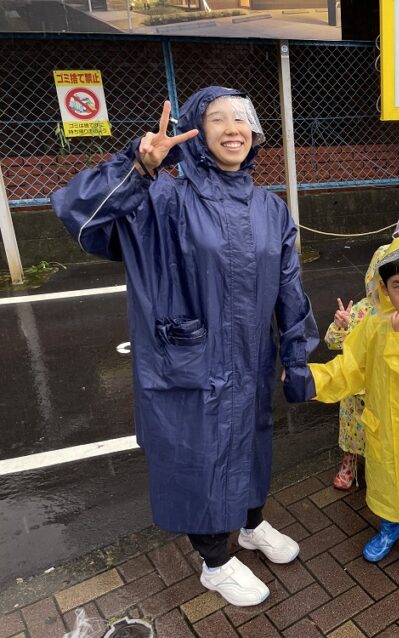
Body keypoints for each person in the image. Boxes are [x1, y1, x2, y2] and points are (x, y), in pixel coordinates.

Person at [51, 87, 319, 607]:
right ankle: (214, 562)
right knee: (201, 455)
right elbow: (82, 218)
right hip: (190, 361)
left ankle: (250, 525)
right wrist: (138, 166)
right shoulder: (164, 198)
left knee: (252, 443)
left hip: (249, 358)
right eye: (216, 119)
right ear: (196, 132)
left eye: (242, 117)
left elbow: (290, 288)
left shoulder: (270, 208)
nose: (233, 128)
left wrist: (295, 354)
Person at [308, 234, 399, 586]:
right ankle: (390, 527)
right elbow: (349, 369)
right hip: (385, 431)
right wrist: (311, 380)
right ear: (383, 286)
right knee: (388, 483)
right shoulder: (372, 328)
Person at [322, 245, 389, 489]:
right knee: (352, 430)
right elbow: (332, 342)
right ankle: (348, 464)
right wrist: (341, 325)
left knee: (378, 433)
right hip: (355, 388)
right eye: (381, 277)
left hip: (382, 389)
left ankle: (376, 469)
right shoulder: (361, 310)